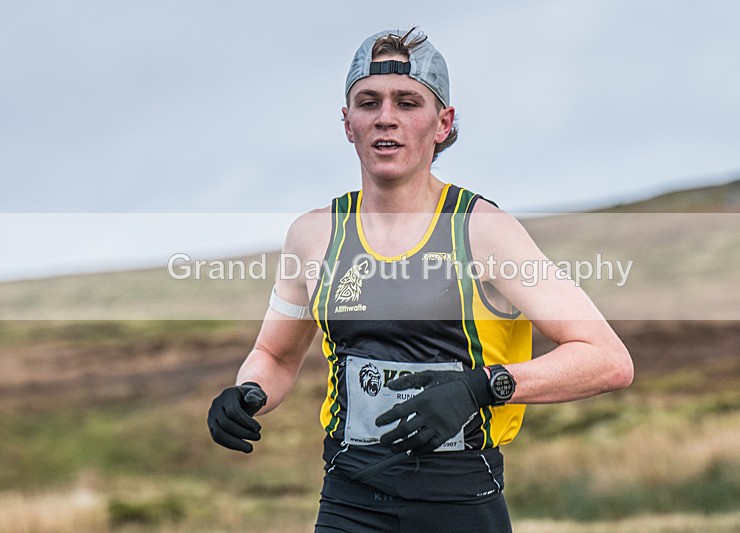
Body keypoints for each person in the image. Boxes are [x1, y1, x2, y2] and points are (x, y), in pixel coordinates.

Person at [207, 28, 634, 532]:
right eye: (369, 102)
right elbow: (276, 356)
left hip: (459, 501)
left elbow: (607, 359)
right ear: (347, 123)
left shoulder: (483, 231)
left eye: (407, 102)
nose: (385, 117)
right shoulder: (314, 235)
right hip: (349, 501)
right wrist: (246, 393)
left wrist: (480, 388)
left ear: (443, 124)